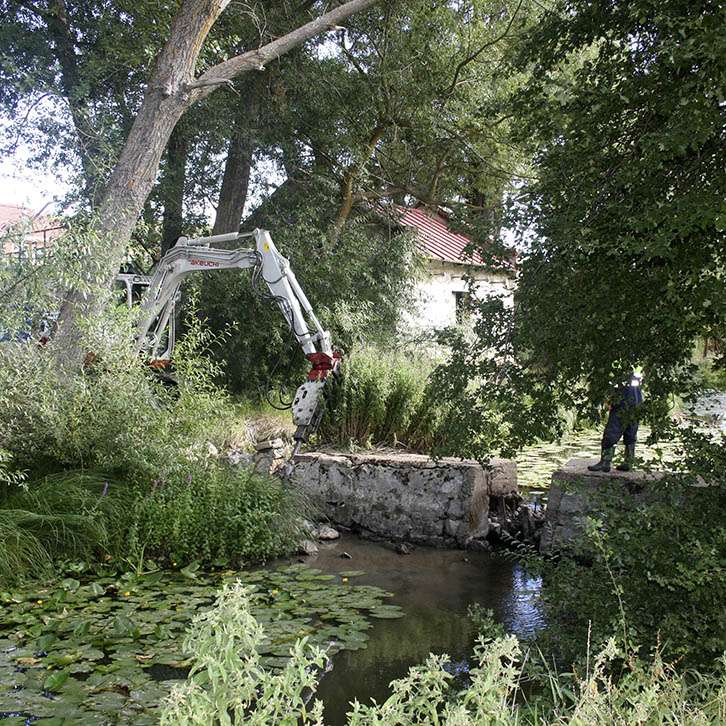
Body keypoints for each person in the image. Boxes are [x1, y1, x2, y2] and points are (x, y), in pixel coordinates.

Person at [588, 369, 643, 473]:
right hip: (636, 403)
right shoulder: (635, 366)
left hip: (622, 404)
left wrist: (609, 400)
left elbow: (611, 386)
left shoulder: (618, 367)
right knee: (630, 434)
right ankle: (627, 462)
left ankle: (606, 461)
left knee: (612, 433)